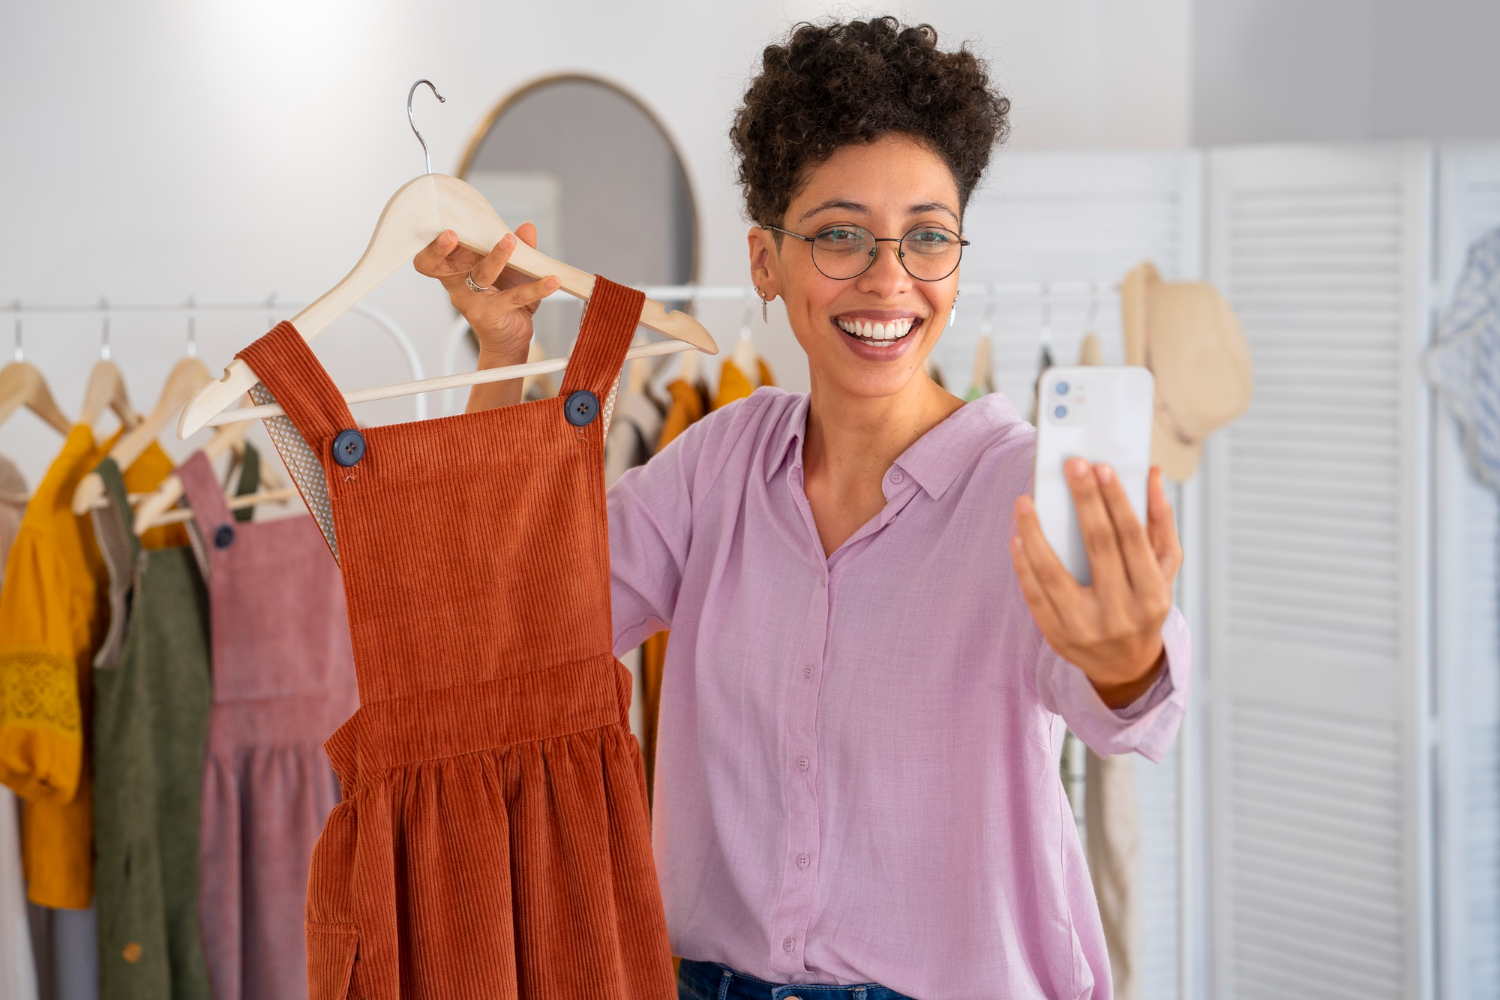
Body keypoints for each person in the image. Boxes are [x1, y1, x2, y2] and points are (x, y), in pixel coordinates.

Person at [415, 17, 1188, 1000]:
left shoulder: (1024, 490)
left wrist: (1128, 661)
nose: (888, 277)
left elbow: (1135, 708)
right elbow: (502, 627)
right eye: (837, 233)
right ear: (765, 261)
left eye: (927, 235)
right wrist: (505, 356)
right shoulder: (714, 468)